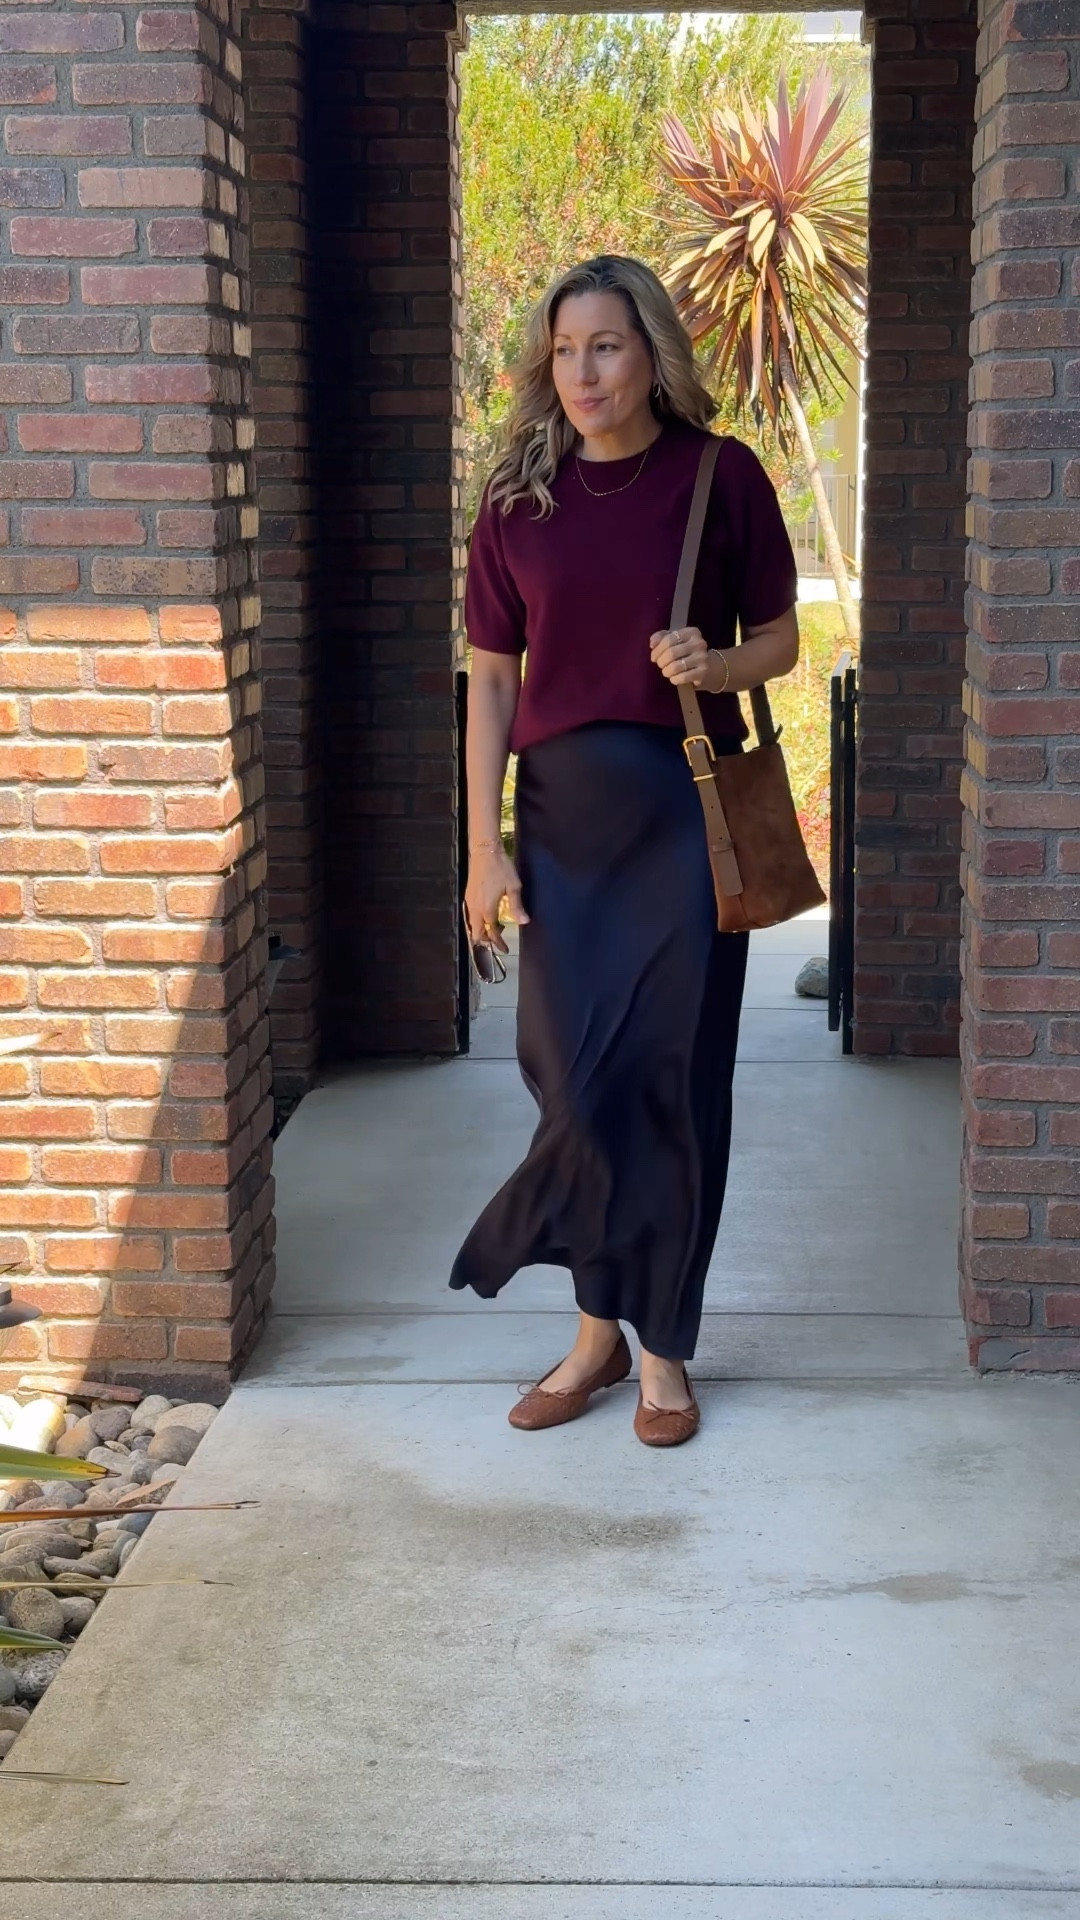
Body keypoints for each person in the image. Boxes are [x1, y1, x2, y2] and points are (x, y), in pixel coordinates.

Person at [450, 255, 799, 1447]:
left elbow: (784, 641)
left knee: (672, 1083)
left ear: (651, 349)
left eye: (606, 345)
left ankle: (659, 1351)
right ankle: (595, 1330)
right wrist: (483, 850)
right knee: (573, 1082)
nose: (584, 371)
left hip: (678, 816)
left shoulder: (721, 475)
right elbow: (491, 680)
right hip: (556, 824)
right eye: (564, 350)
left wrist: (717, 662)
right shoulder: (515, 501)